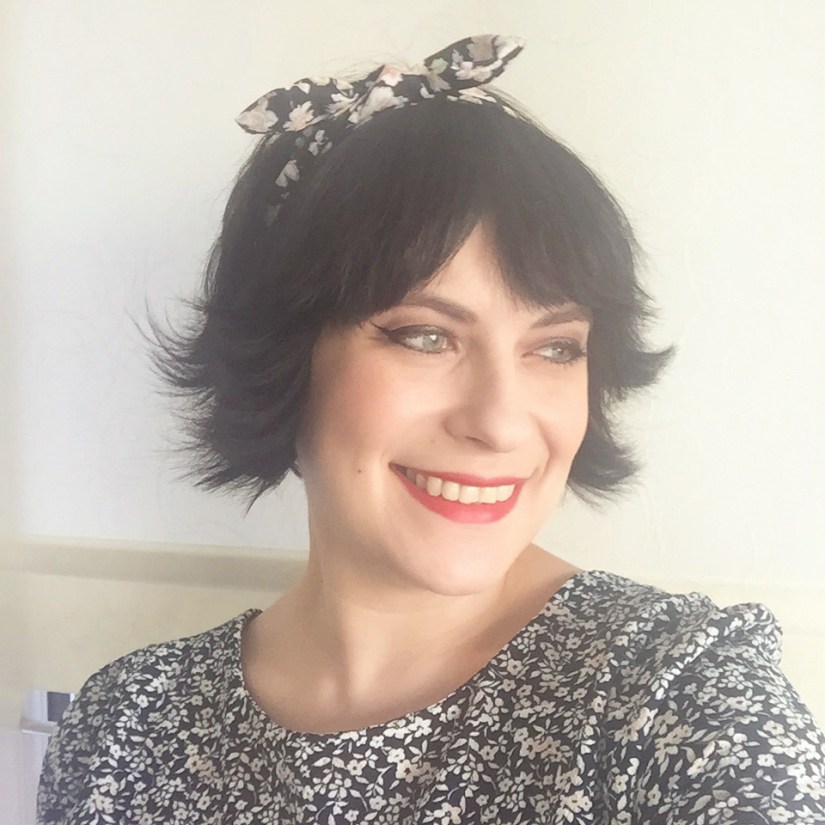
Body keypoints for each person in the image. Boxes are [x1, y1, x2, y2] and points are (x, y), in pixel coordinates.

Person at [37, 34, 825, 824]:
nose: (499, 421)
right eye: (425, 336)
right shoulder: (124, 725)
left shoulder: (681, 704)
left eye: (554, 347)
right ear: (283, 354)